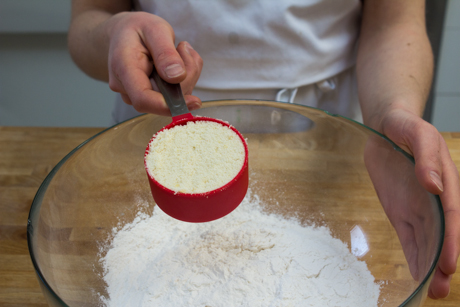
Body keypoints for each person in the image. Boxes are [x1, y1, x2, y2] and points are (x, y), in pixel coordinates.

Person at [68, 0, 460, 299]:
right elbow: (90, 17)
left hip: (325, 139)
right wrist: (113, 33)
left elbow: (394, 25)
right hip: (150, 116)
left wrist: (392, 116)